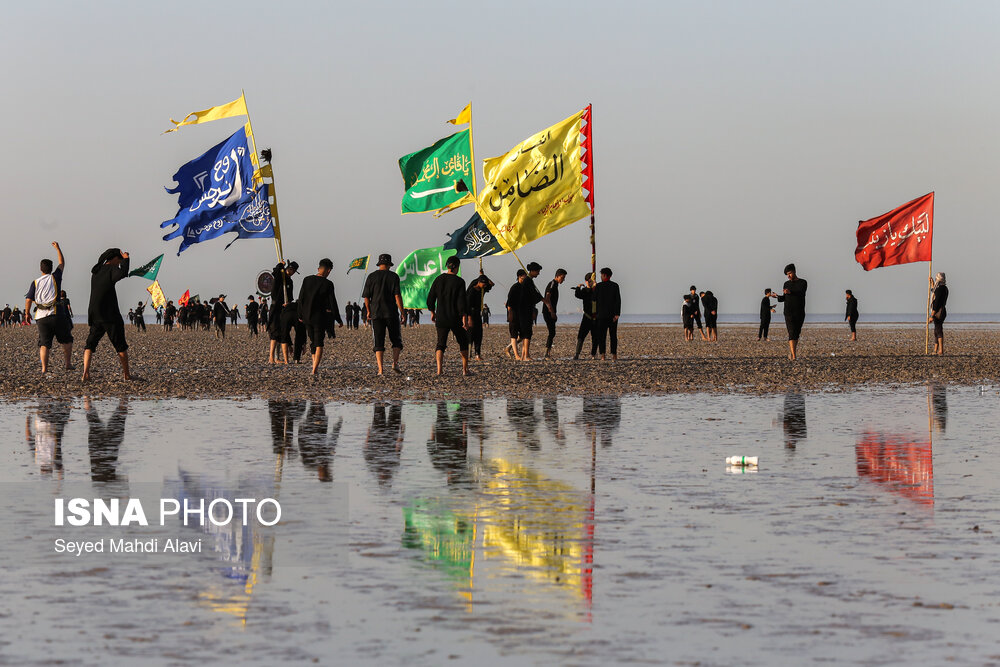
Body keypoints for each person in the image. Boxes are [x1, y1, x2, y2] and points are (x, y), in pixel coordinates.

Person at [81, 248, 131, 381]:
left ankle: (85, 373)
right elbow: (123, 273)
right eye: (118, 259)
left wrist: (123, 260)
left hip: (95, 312)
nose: (119, 262)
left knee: (90, 344)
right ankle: (127, 375)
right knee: (120, 344)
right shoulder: (111, 269)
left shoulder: (97, 271)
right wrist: (126, 259)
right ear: (114, 259)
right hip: (109, 313)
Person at [25, 241, 73, 373]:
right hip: (56, 313)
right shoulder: (55, 277)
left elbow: (29, 299)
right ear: (51, 269)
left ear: (41, 269)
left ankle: (44, 368)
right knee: (67, 339)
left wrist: (27, 313)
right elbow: (62, 263)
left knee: (44, 344)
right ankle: (68, 364)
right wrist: (58, 248)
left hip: (41, 316)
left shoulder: (35, 282)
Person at [427, 255, 470, 376]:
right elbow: (462, 302)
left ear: (447, 266)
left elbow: (431, 298)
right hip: (455, 318)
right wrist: (464, 319)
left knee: (441, 343)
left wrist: (432, 312)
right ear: (456, 267)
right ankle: (465, 370)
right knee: (463, 342)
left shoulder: (438, 279)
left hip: (441, 316)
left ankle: (439, 370)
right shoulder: (460, 282)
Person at [362, 253, 405, 375]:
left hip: (376, 313)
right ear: (389, 265)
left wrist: (368, 310)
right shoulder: (394, 277)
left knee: (378, 342)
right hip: (391, 312)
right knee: (396, 340)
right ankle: (395, 363)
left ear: (379, 264)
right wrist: (402, 312)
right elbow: (397, 296)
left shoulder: (371, 276)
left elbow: (366, 296)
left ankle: (380, 369)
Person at [298, 258, 342, 375]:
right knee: (319, 342)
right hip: (319, 317)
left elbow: (301, 298)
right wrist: (338, 318)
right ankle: (315, 369)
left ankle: (314, 364)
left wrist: (300, 314)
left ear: (319, 268)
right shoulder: (328, 284)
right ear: (328, 270)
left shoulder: (307, 280)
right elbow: (333, 303)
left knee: (312, 341)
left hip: (307, 316)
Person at [774, 263, 807, 360]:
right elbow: (784, 298)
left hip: (799, 312)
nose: (788, 276)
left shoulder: (803, 283)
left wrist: (790, 292)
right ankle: (794, 355)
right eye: (787, 275)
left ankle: (793, 352)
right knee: (791, 332)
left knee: (796, 333)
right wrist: (777, 296)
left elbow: (801, 293)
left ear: (794, 272)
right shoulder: (786, 284)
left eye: (789, 273)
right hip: (788, 312)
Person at [268, 260, 299, 364]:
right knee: (274, 332)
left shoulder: (290, 282)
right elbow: (274, 272)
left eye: (294, 271)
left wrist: (288, 303)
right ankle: (271, 357)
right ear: (287, 268)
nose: (292, 272)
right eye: (291, 270)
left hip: (284, 309)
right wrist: (281, 264)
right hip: (275, 307)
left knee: (282, 333)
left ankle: (278, 358)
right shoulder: (280, 275)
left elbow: (290, 297)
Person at [593, 267, 622, 360]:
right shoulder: (615, 286)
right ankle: (614, 355)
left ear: (605, 275)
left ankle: (603, 355)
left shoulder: (598, 286)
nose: (601, 276)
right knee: (613, 335)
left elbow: (594, 301)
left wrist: (594, 313)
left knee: (602, 336)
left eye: (601, 275)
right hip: (612, 315)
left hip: (601, 315)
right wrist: (617, 314)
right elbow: (618, 301)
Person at [466, 273, 493, 361]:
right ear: (478, 282)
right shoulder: (471, 291)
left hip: (478, 314)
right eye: (483, 284)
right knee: (470, 335)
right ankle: (468, 355)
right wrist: (469, 319)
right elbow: (468, 306)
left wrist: (484, 275)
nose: (484, 285)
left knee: (479, 334)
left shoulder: (482, 290)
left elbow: (492, 284)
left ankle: (477, 354)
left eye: (485, 284)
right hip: (471, 314)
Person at [542, 268, 567, 359]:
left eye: (564, 278)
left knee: (552, 332)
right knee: (552, 332)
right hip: (548, 311)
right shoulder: (552, 284)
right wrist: (552, 312)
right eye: (562, 277)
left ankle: (548, 353)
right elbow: (547, 298)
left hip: (551, 311)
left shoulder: (556, 285)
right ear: (557, 276)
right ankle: (547, 353)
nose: (563, 279)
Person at [573, 272, 598, 360]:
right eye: (588, 281)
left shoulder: (596, 289)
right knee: (581, 336)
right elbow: (577, 295)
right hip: (586, 317)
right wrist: (578, 287)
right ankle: (577, 354)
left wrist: (596, 286)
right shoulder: (585, 291)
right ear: (586, 281)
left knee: (595, 337)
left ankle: (593, 355)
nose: (589, 282)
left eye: (591, 281)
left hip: (595, 317)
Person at [505, 269, 528, 360]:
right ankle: (516, 355)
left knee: (523, 335)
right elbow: (509, 303)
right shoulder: (514, 287)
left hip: (522, 314)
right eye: (524, 276)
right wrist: (510, 314)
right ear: (520, 276)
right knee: (514, 335)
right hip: (513, 313)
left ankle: (509, 348)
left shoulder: (526, 287)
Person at [929, 272, 948, 355]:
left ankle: (941, 350)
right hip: (942, 311)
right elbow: (935, 292)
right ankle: (935, 349)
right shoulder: (944, 288)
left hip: (938, 312)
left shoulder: (940, 289)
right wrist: (932, 284)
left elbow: (936, 303)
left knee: (938, 330)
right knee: (936, 330)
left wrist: (932, 315)